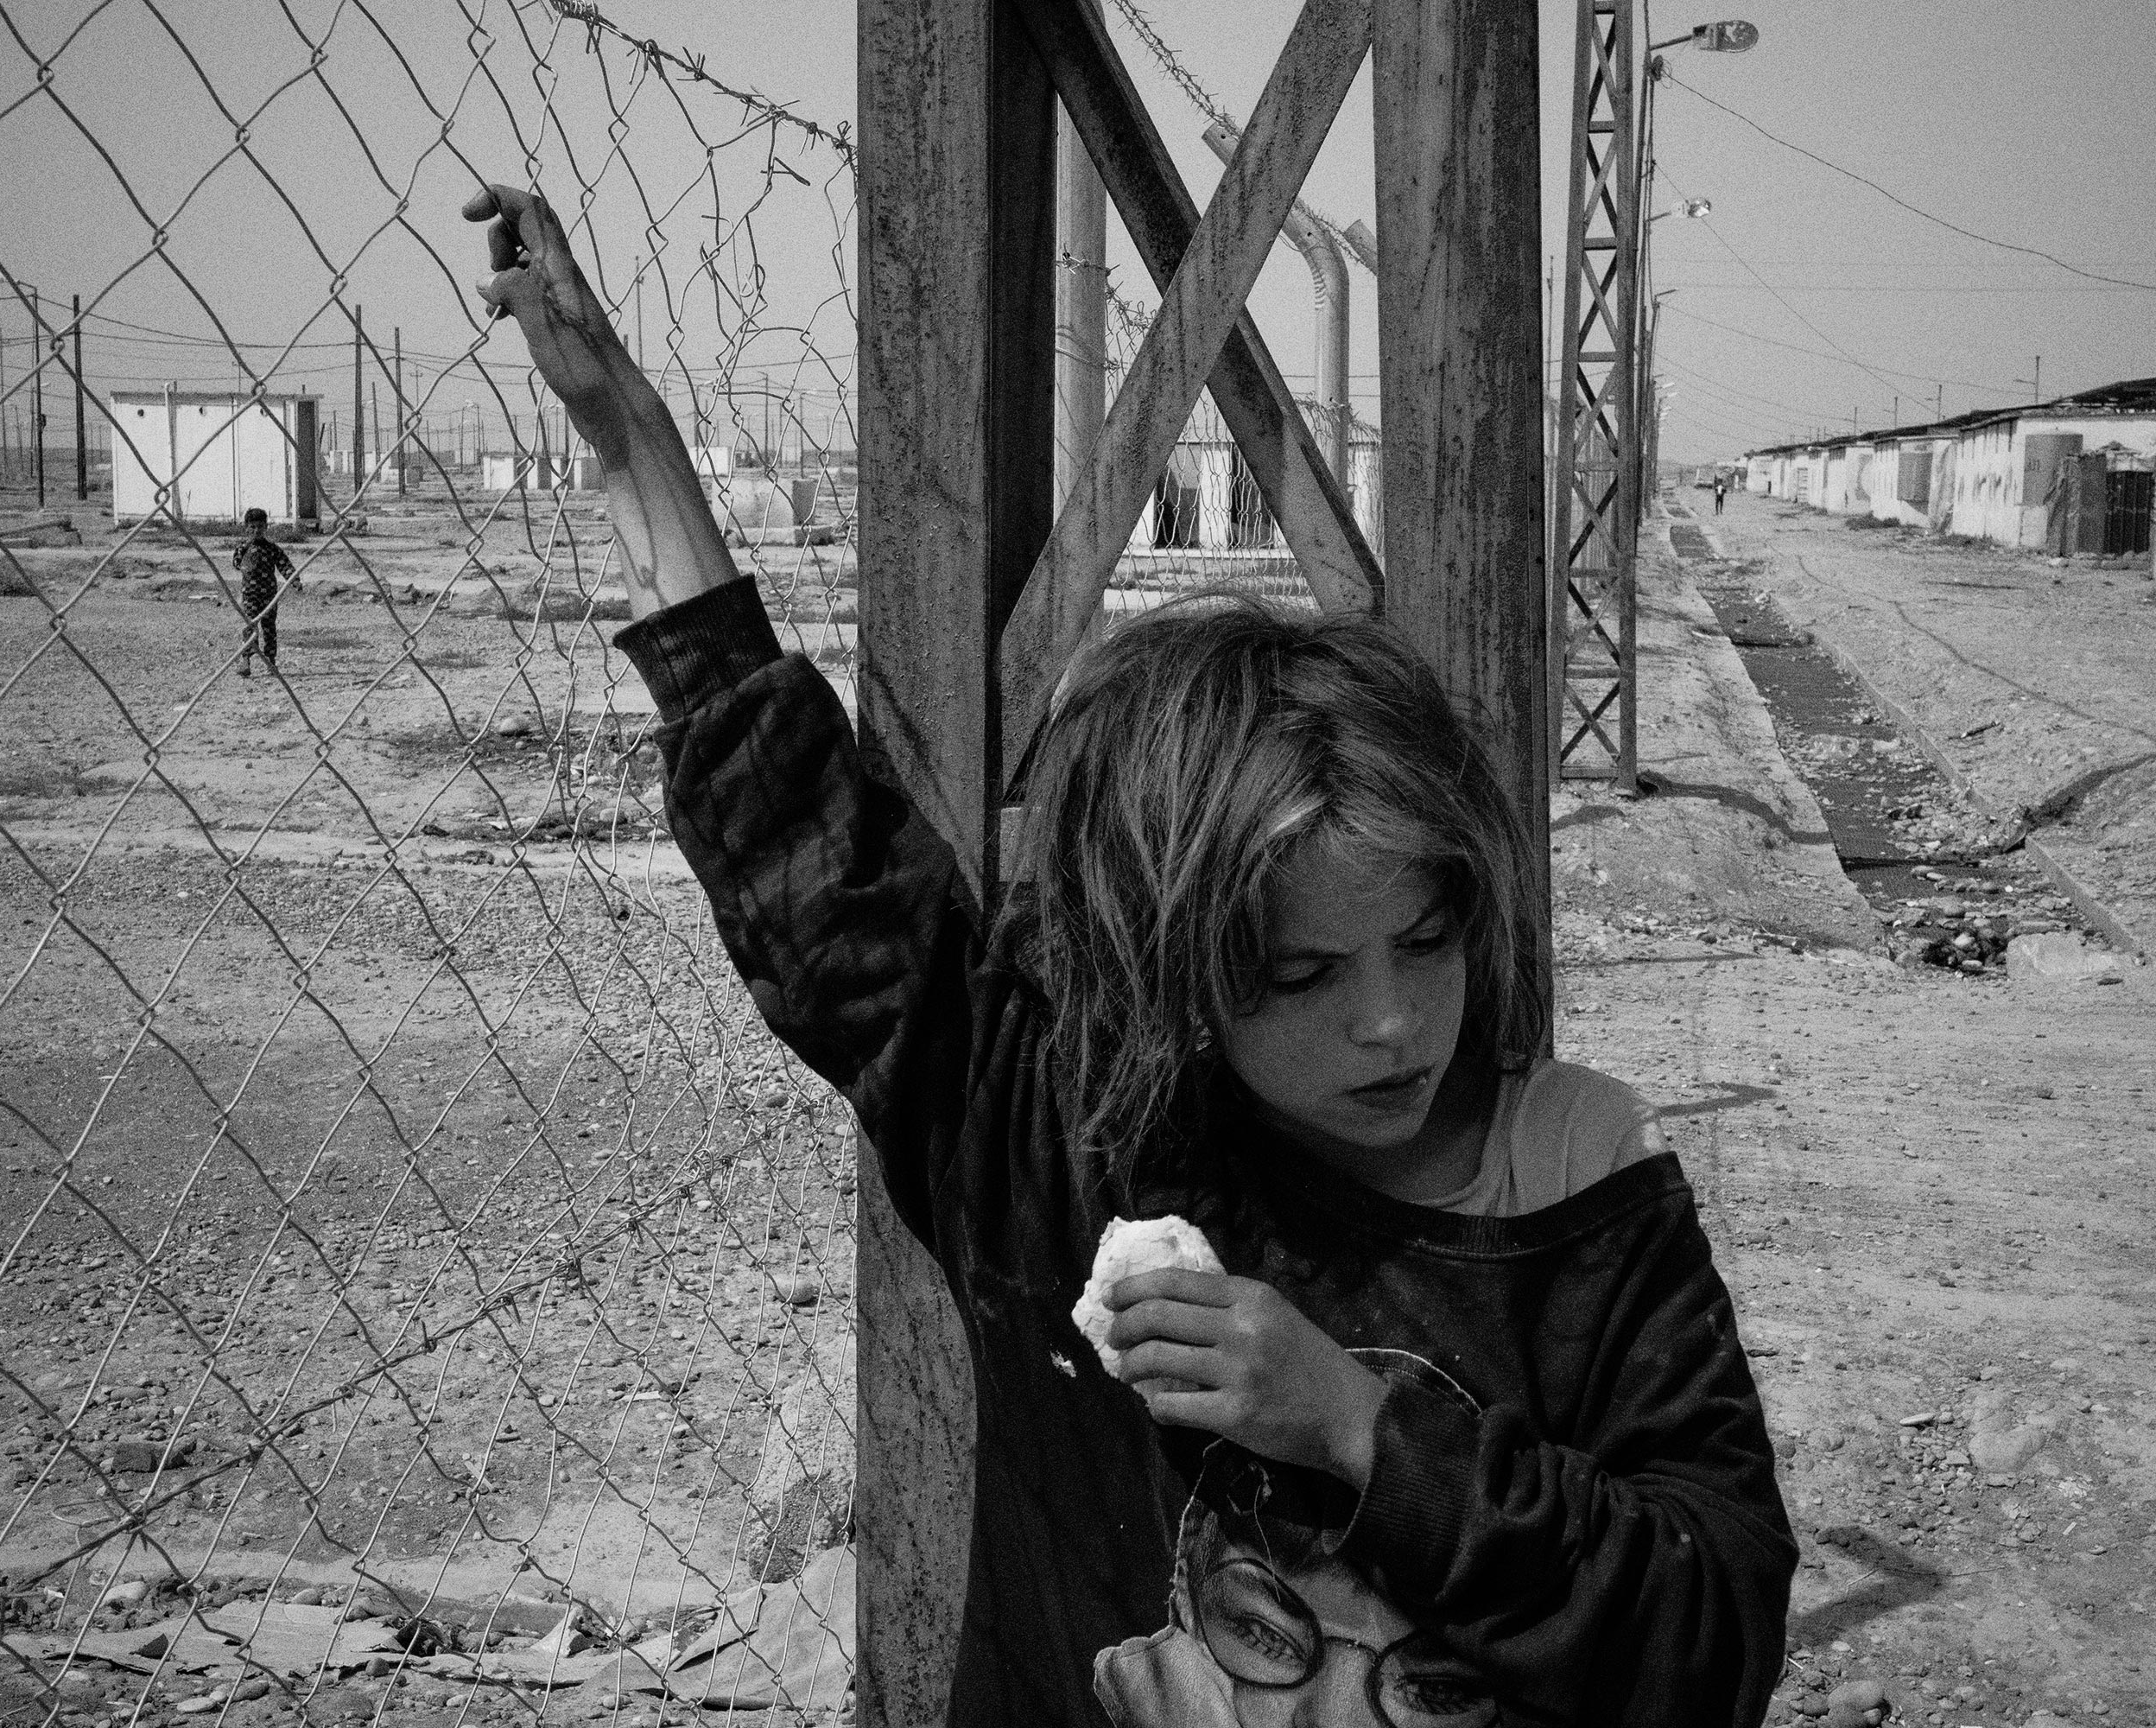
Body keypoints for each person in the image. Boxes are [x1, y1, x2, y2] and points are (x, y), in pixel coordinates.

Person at [465, 183, 1792, 1726]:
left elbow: (1710, 1642)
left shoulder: (1575, 1188)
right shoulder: (1072, 1152)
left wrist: (1363, 1431)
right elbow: (823, 875)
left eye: (1427, 940)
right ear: (1169, 972)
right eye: (1297, 977)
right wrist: (627, 437)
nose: (1391, 1026)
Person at [231, 507, 296, 677]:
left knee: (269, 628)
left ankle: (271, 662)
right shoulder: (243, 548)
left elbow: (285, 565)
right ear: (246, 528)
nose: (256, 530)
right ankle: (245, 660)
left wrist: (294, 580)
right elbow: (237, 564)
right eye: (252, 527)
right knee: (250, 626)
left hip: (269, 596)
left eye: (260, 526)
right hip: (250, 595)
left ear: (266, 527)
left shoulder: (272, 549)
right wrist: (247, 553)